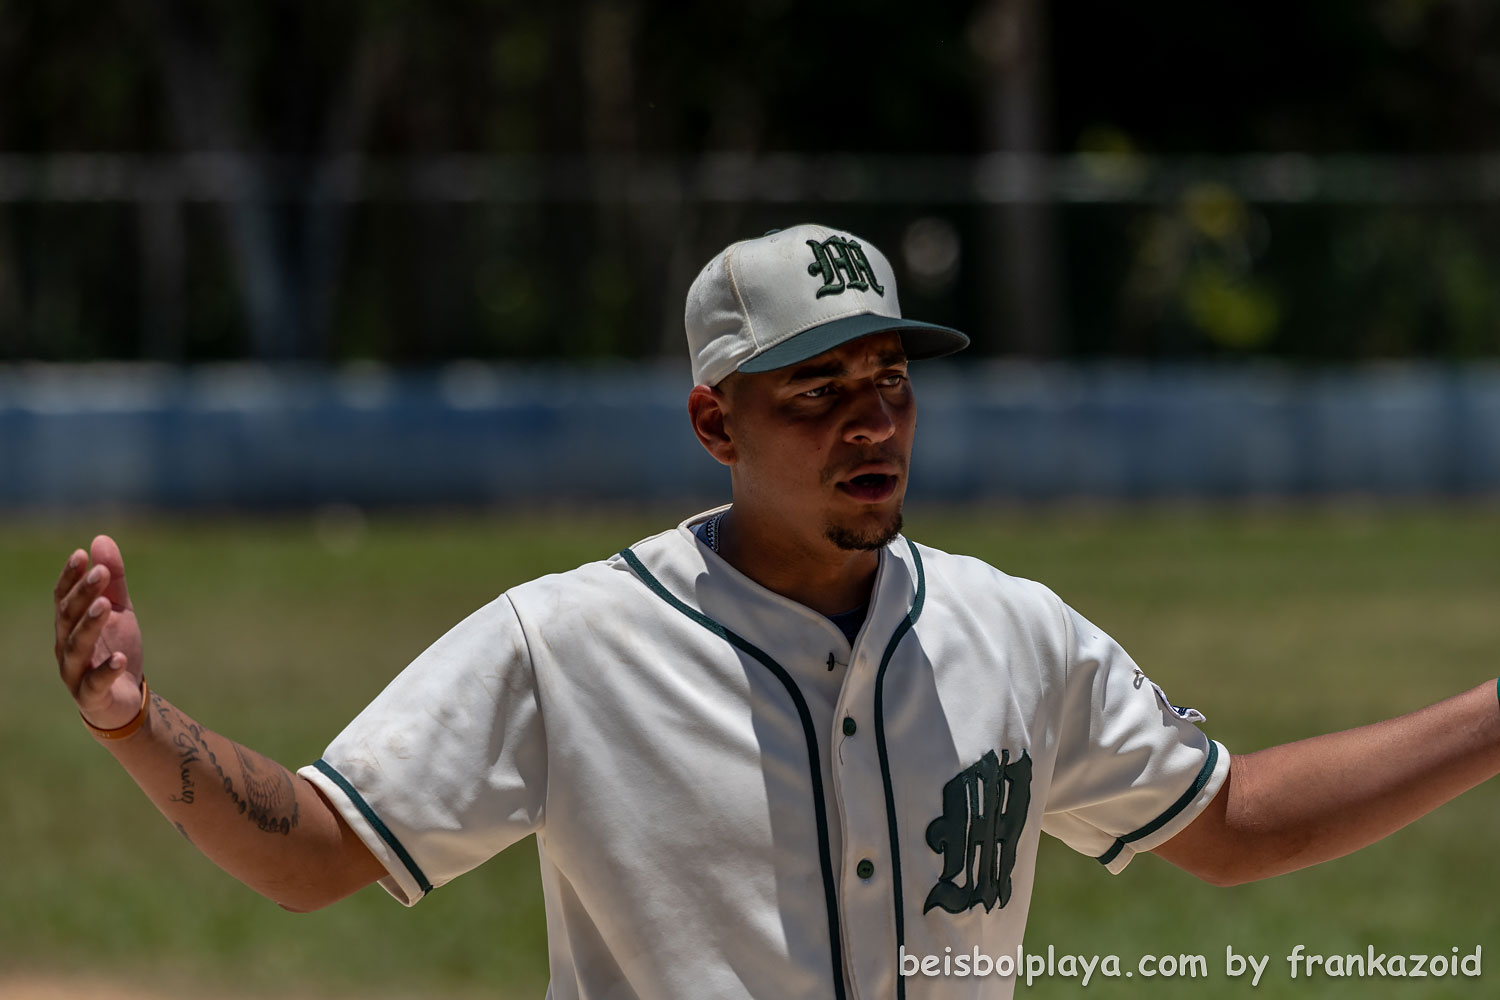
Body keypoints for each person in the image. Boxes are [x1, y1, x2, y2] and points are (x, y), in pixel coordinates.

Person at [53, 224, 1500, 1000]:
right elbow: (317, 853)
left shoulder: (1014, 634)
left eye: (890, 384)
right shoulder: (572, 644)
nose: (871, 423)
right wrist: (135, 724)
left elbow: (1235, 822)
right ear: (714, 422)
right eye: (817, 391)